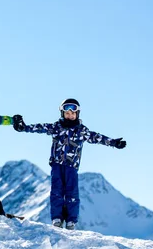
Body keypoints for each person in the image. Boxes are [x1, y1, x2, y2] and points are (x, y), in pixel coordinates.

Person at [13, 98, 126, 230]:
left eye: (73, 113)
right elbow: (40, 128)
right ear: (62, 113)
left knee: (72, 192)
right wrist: (23, 127)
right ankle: (57, 219)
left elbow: (96, 137)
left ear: (77, 114)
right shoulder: (56, 127)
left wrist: (113, 142)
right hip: (56, 165)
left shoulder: (81, 131)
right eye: (67, 113)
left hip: (71, 166)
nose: (70, 115)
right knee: (56, 191)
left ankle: (71, 221)